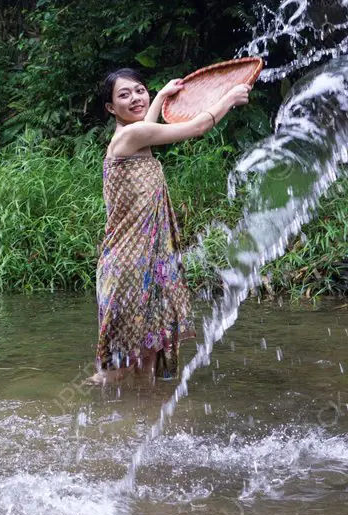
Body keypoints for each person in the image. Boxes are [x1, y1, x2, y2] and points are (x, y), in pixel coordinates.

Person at [91, 68, 251, 383]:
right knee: (121, 368)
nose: (135, 98)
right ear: (111, 108)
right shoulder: (130, 136)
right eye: (124, 95)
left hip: (146, 264)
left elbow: (147, 127)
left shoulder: (135, 135)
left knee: (149, 356)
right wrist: (229, 97)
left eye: (139, 90)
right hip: (129, 267)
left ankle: (144, 422)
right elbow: (199, 126)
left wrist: (162, 95)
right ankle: (74, 417)